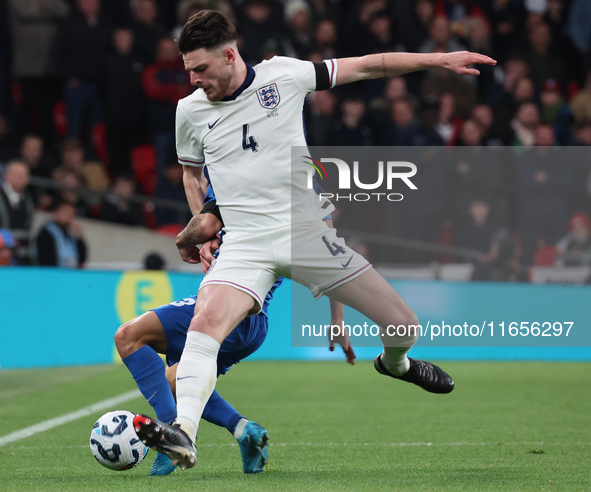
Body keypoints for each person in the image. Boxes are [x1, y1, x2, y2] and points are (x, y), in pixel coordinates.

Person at [133, 10, 496, 469]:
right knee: (205, 324)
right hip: (243, 242)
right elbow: (191, 173)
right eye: (188, 69)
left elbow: (368, 64)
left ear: (229, 55)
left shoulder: (284, 76)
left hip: (304, 233)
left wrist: (438, 58)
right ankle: (184, 432)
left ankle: (396, 365)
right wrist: (204, 225)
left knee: (404, 327)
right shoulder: (190, 110)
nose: (193, 79)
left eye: (201, 68)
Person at [120, 188, 353, 475]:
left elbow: (203, 221)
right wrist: (337, 319)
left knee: (128, 337)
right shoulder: (296, 194)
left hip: (227, 307)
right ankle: (245, 431)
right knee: (175, 383)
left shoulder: (235, 172)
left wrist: (191, 238)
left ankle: (171, 437)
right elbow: (334, 260)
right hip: (253, 324)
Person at [34, 198, 87, 267]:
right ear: (56, 212)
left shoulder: (70, 234)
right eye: (66, 212)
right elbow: (45, 260)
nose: (69, 216)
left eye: (72, 213)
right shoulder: (46, 233)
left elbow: (81, 259)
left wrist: (79, 237)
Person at [0, 159, 34, 264]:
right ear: (5, 175)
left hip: (24, 256)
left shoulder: (29, 198)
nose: (19, 177)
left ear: (28, 179)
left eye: (23, 174)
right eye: (15, 174)